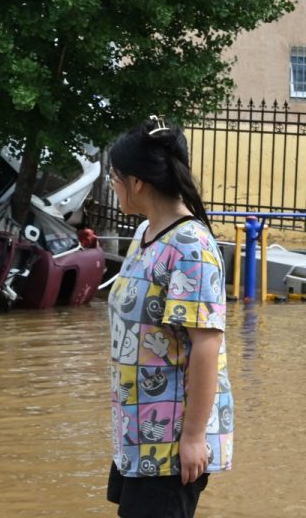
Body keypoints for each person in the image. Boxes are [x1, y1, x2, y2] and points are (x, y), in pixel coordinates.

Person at [105, 116, 233, 518]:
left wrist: (193, 437)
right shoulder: (146, 235)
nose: (113, 185)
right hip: (137, 427)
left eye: (115, 177)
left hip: (172, 440)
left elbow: (206, 346)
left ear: (137, 183)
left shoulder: (190, 248)